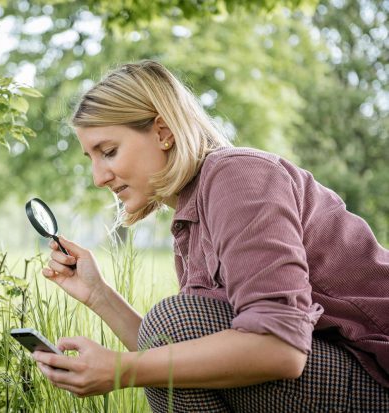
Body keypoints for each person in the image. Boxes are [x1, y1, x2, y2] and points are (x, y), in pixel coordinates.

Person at [32, 60, 389, 412]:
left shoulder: (238, 176)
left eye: (108, 152)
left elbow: (281, 348)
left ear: (162, 132)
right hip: (338, 370)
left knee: (172, 327)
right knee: (172, 348)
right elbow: (178, 347)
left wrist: (121, 369)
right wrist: (99, 296)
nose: (99, 178)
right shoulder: (191, 218)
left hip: (376, 376)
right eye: (90, 158)